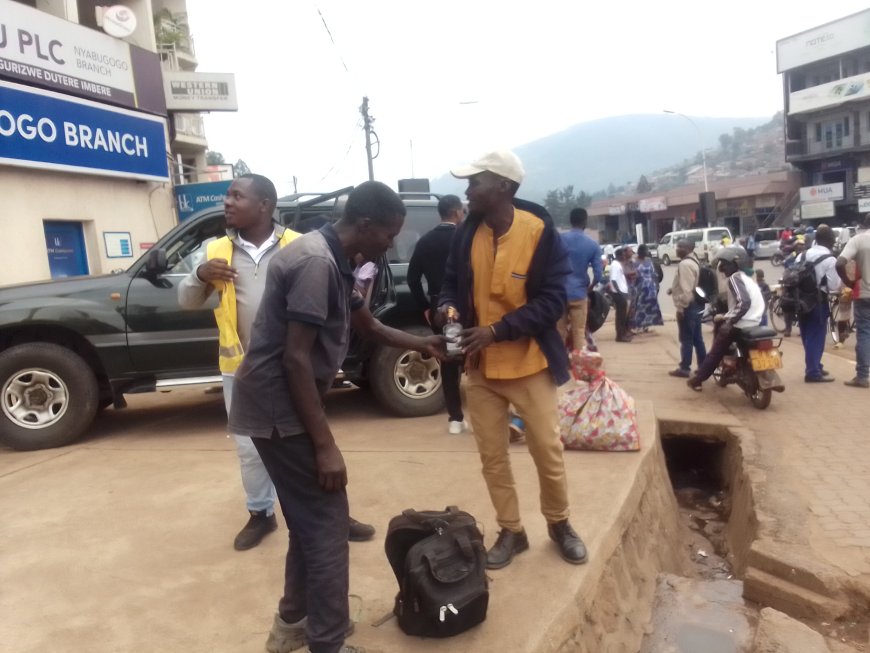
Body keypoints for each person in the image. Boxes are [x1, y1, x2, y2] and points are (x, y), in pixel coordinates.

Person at [229, 181, 444, 653]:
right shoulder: (315, 263)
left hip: (278, 402)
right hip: (276, 406)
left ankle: (293, 624)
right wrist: (325, 446)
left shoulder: (335, 258)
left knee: (310, 522)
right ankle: (326, 642)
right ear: (365, 225)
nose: (390, 245)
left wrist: (423, 343)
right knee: (328, 526)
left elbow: (368, 324)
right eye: (388, 235)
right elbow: (295, 360)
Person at [178, 174, 375, 551]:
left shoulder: (299, 245)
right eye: (227, 195)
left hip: (296, 367)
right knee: (250, 449)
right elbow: (186, 301)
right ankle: (260, 513)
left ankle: (333, 512)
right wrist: (200, 275)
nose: (227, 202)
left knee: (312, 442)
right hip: (243, 371)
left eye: (237, 195)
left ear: (264, 205)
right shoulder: (215, 250)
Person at [439, 149, 587, 569]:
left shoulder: (539, 233)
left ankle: (559, 524)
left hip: (529, 365)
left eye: (475, 183)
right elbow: (449, 284)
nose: (467, 192)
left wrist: (496, 331)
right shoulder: (466, 234)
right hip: (481, 368)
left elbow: (553, 301)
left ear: (502, 187)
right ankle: (512, 531)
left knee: (547, 451)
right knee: (493, 457)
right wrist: (446, 308)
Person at [407, 194, 468, 434]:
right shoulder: (466, 238)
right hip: (468, 307)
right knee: (476, 357)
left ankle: (455, 419)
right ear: (457, 212)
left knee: (448, 358)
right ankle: (487, 416)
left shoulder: (425, 241)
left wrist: (425, 306)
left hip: (439, 310)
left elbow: (412, 278)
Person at [687, 246, 764, 391]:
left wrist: (728, 318)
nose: (722, 267)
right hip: (754, 322)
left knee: (716, 352)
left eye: (725, 264)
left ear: (735, 264)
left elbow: (744, 303)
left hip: (740, 324)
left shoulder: (734, 278)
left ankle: (697, 380)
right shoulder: (747, 278)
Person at [799, 225, 840, 383]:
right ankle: (813, 372)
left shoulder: (803, 255)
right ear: (830, 241)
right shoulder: (830, 260)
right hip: (818, 302)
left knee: (807, 335)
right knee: (816, 337)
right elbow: (833, 285)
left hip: (800, 301)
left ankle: (816, 365)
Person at [559, 207, 603, 349]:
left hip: (559, 293)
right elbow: (598, 275)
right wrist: (590, 288)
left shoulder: (559, 240)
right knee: (579, 332)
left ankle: (559, 360)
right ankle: (577, 360)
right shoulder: (593, 245)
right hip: (579, 293)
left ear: (570, 221)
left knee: (559, 332)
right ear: (585, 222)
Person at [836, 214, 870, 389]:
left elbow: (839, 263)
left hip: (864, 294)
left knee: (864, 334)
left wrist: (848, 282)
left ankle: (862, 376)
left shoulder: (858, 240)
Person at [667, 238, 706, 378]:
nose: (676, 249)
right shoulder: (694, 261)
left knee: (686, 339)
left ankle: (684, 368)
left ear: (687, 249)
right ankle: (703, 367)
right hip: (696, 305)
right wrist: (673, 289)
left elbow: (687, 290)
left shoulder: (685, 264)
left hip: (689, 306)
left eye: (679, 247)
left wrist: (681, 308)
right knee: (697, 339)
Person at [630, 244, 663, 333]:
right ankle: (636, 326)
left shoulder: (649, 261)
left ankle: (645, 326)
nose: (646, 253)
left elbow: (653, 273)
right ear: (639, 252)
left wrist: (655, 286)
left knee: (649, 307)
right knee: (638, 307)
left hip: (650, 287)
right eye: (644, 251)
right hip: (638, 287)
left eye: (647, 251)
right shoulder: (633, 262)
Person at [608, 247, 632, 342]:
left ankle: (622, 334)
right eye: (623, 255)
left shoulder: (617, 264)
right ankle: (620, 336)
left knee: (623, 315)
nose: (624, 256)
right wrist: (619, 292)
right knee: (620, 316)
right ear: (618, 256)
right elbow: (613, 280)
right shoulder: (615, 265)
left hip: (621, 292)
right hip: (618, 293)